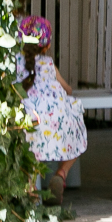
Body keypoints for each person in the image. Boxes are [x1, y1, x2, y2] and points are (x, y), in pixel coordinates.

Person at [17, 15, 87, 205]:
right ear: (47, 46)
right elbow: (68, 90)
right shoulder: (48, 64)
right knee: (78, 130)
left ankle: (30, 190)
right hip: (58, 121)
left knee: (28, 150)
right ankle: (61, 174)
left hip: (31, 120)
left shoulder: (15, 63)